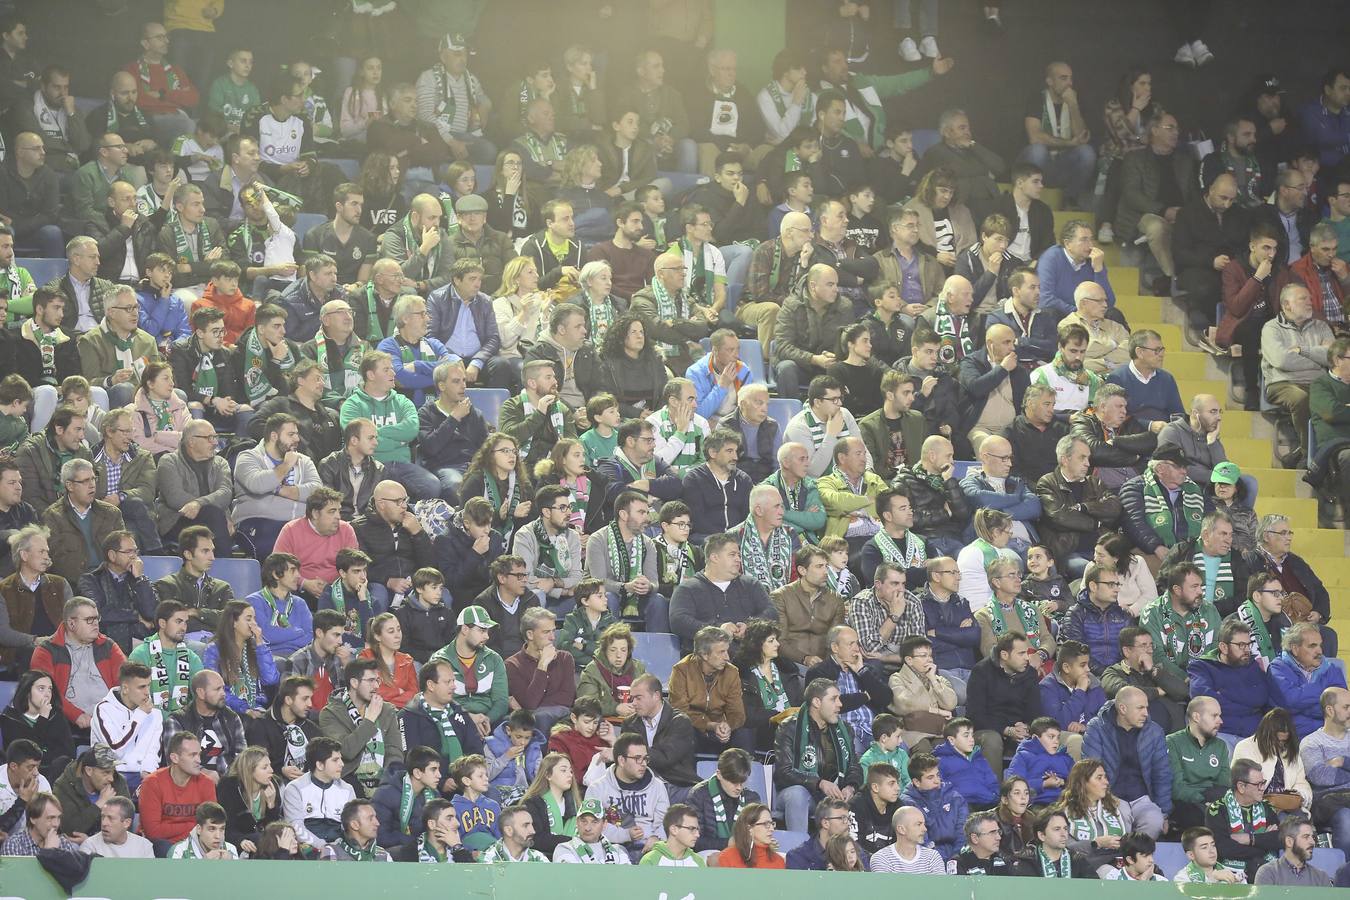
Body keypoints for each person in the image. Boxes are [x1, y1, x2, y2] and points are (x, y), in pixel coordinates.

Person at [1079, 687, 1170, 839]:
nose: (1146, 713)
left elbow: (1162, 774)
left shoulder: (1154, 731)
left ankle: (1136, 859)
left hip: (1143, 798)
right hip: (1109, 796)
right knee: (1121, 820)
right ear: (1122, 708)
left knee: (1155, 821)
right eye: (1140, 708)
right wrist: (1104, 799)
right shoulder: (1097, 727)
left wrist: (1165, 813)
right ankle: (1120, 860)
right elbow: (1090, 770)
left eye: (1146, 707)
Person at [774, 678, 862, 833]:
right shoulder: (790, 727)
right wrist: (819, 783)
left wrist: (851, 786)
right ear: (816, 702)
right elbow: (784, 772)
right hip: (796, 794)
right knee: (797, 794)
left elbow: (854, 766)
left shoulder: (845, 730)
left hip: (829, 797)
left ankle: (847, 851)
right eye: (833, 699)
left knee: (863, 798)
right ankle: (798, 849)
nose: (840, 704)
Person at [1263, 283, 1334, 467]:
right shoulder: (1271, 328)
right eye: (1303, 299)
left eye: (1310, 299)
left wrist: (1303, 350)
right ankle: (1309, 453)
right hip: (1282, 384)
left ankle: (1307, 452)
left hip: (1318, 384)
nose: (1310, 302)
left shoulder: (1322, 326)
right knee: (1301, 397)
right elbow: (1282, 361)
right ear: (1287, 305)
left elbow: (1332, 357)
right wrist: (1317, 357)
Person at [668, 530, 776, 651]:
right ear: (714, 557)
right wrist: (717, 630)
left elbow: (772, 612)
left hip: (749, 656)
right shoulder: (688, 588)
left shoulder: (751, 584)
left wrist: (751, 626)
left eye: (739, 555)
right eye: (732, 554)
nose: (738, 559)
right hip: (706, 660)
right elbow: (679, 621)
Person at [317, 658, 405, 798]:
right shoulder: (330, 714)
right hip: (348, 781)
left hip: (384, 780)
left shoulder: (386, 710)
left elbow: (395, 750)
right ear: (354, 683)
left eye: (378, 680)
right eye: (370, 681)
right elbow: (346, 751)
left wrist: (386, 779)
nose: (376, 686)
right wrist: (369, 720)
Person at [967, 632, 1043, 777]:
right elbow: (975, 715)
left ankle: (1037, 793)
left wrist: (1026, 727)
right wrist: (1006, 730)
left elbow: (1036, 712)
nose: (1027, 657)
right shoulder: (981, 672)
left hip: (1019, 730)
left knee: (1044, 734)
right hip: (988, 729)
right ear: (1004, 655)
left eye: (1027, 652)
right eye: (1021, 653)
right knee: (992, 740)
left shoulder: (1030, 674)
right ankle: (996, 795)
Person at [1188, 618, 1273, 746]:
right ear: (1223, 647)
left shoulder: (1252, 665)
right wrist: (1250, 706)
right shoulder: (1202, 667)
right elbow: (1203, 702)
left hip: (1254, 735)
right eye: (1241, 645)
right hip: (1220, 734)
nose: (1247, 650)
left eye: (1248, 644)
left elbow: (1261, 697)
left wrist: (1223, 693)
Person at [1206, 758, 1281, 881]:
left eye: (1263, 782)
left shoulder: (1267, 807)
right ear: (1241, 786)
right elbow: (1223, 848)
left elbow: (1278, 838)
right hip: (1228, 875)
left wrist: (1250, 839)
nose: (1263, 788)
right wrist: (1262, 843)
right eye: (1258, 784)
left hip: (1264, 870)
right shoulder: (1217, 810)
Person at [1165, 696, 1233, 831]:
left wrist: (1212, 802)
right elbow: (1177, 787)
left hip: (1213, 799)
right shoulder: (1172, 742)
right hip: (1186, 803)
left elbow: (1224, 784)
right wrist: (1203, 800)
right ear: (1196, 717)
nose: (1220, 721)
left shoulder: (1221, 746)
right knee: (1203, 818)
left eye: (1220, 715)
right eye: (1214, 716)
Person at [139, 731, 217, 849]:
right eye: (192, 755)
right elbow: (153, 832)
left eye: (199, 755)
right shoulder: (152, 783)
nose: (199, 760)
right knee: (163, 846)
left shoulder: (206, 783)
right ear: (175, 758)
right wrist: (195, 826)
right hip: (161, 846)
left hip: (195, 844)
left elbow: (211, 827)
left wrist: (168, 827)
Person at [1270, 622, 1347, 738]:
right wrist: (1322, 690)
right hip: (1293, 739)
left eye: (1320, 645)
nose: (1319, 651)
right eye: (1312, 646)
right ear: (1295, 649)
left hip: (1329, 736)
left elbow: (1342, 707)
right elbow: (1289, 703)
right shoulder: (1277, 668)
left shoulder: (1331, 669)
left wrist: (1301, 706)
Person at [280, 736, 354, 852]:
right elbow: (296, 827)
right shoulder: (295, 788)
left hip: (340, 848)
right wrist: (323, 847)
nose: (342, 764)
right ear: (319, 765)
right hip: (306, 848)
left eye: (341, 759)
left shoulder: (347, 789)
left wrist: (338, 848)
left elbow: (351, 828)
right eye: (335, 760)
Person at [244, 675, 320, 783]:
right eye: (304, 699)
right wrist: (281, 770)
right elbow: (255, 764)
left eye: (310, 698)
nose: (310, 704)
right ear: (288, 700)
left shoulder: (311, 729)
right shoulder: (260, 726)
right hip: (272, 783)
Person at [318, 798, 392, 862]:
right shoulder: (332, 851)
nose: (377, 823)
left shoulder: (383, 855)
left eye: (375, 818)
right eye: (370, 818)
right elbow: (329, 877)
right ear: (354, 825)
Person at [717, 801, 786, 868]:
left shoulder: (779, 861)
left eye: (772, 824)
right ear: (749, 828)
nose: (772, 829)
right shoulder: (727, 858)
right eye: (766, 824)